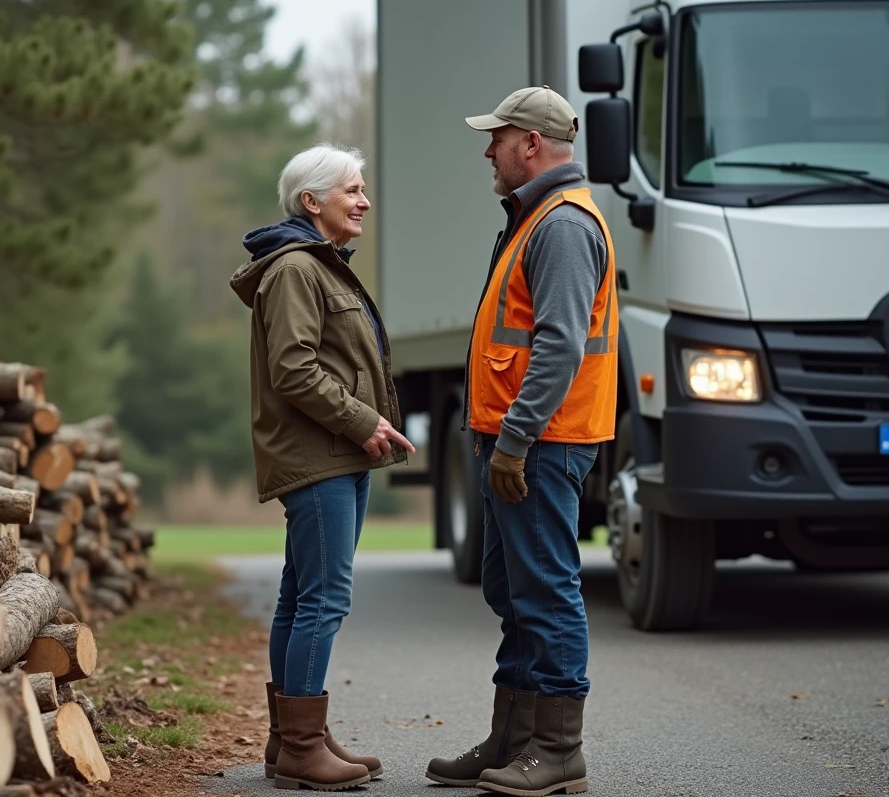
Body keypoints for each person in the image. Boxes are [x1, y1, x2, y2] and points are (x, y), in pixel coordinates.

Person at [424, 86, 617, 797]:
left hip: (541, 442)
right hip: (517, 439)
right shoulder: (533, 218)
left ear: (530, 144)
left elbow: (559, 345)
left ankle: (559, 751)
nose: (488, 150)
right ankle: (512, 738)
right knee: (513, 590)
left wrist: (515, 440)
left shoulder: (562, 226)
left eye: (497, 137)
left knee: (547, 593)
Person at [229, 142, 415, 791]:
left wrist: (373, 426)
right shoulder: (295, 272)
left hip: (335, 452)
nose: (364, 201)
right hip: (320, 456)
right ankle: (304, 748)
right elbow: (294, 369)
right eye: (351, 191)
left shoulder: (321, 266)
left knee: (299, 594)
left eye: (363, 189)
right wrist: (364, 422)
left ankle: (294, 741)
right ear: (312, 202)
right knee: (324, 597)